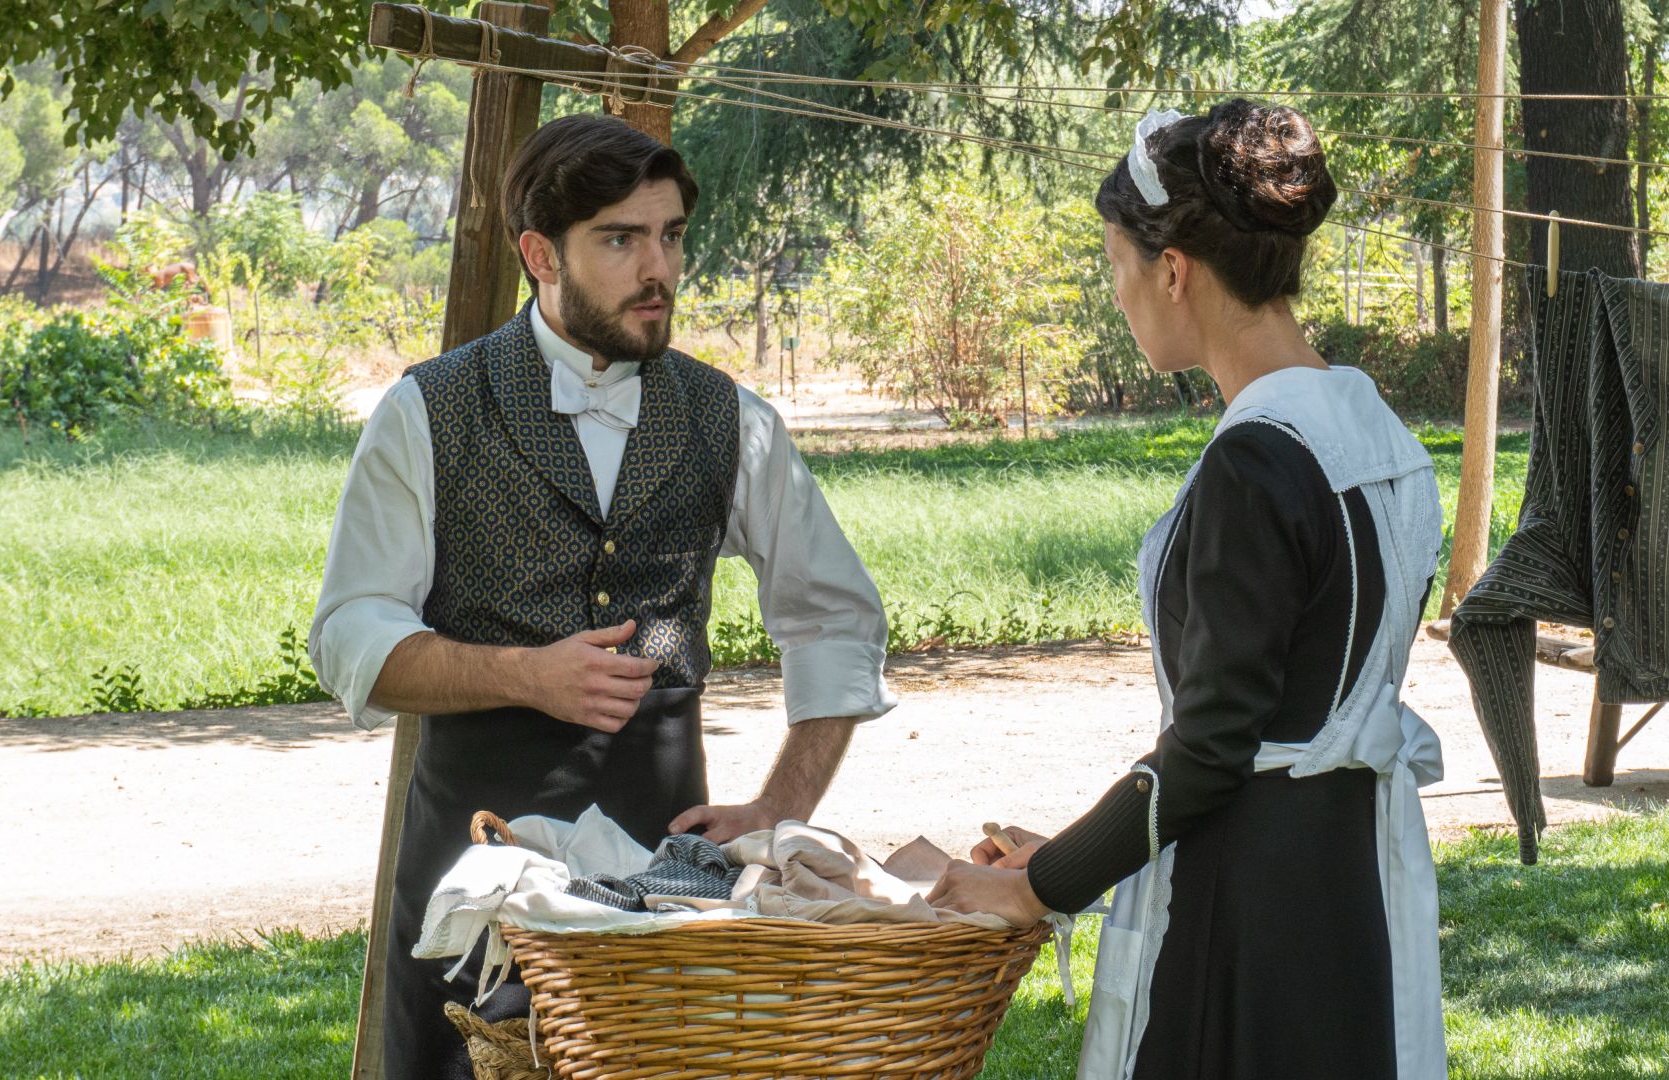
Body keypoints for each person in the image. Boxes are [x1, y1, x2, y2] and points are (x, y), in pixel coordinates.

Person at [308, 114, 897, 1080]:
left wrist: (779, 807)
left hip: (666, 868)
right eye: (620, 240)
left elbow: (838, 616)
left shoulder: (730, 418)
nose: (657, 269)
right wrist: (523, 675)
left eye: (670, 236)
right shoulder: (427, 411)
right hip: (471, 858)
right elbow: (351, 634)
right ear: (541, 255)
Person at [928, 100, 1449, 1080]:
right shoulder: (1378, 435)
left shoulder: (1255, 462)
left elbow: (1212, 751)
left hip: (1249, 914)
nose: (1118, 294)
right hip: (1346, 884)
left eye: (1117, 266)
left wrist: (1040, 886)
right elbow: (1288, 714)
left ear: (1173, 271)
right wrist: (1078, 847)